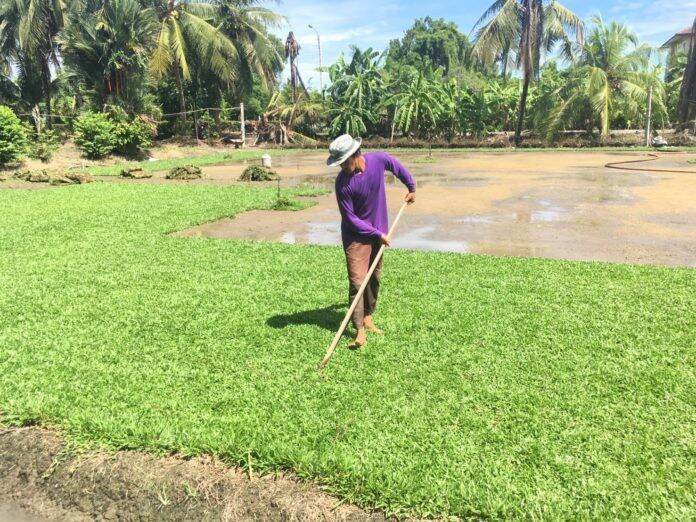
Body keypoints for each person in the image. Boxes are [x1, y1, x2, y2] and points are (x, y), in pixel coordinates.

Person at [326, 134, 416, 349]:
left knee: (374, 277)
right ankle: (359, 331)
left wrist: (411, 186)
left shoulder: (378, 160)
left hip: (379, 232)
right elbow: (351, 218)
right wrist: (376, 234)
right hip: (356, 237)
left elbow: (395, 165)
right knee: (358, 282)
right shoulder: (343, 184)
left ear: (355, 155)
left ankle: (368, 316)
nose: (342, 168)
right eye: (339, 164)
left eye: (344, 162)